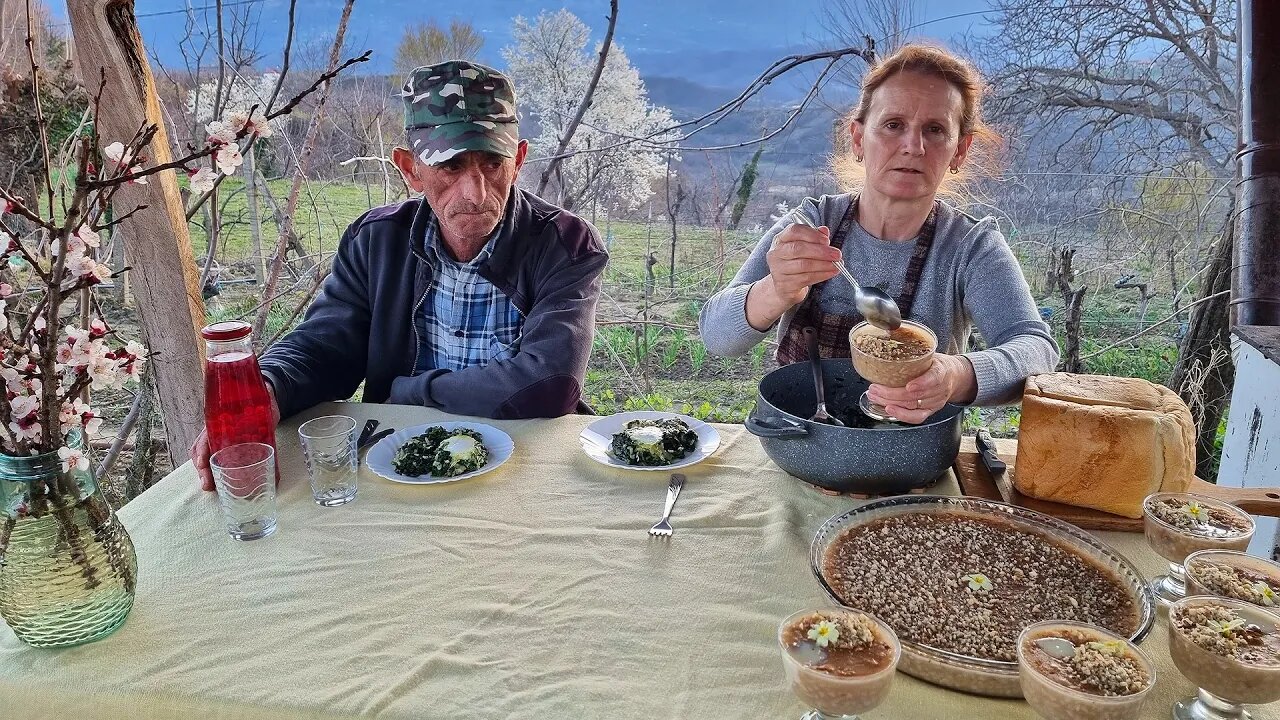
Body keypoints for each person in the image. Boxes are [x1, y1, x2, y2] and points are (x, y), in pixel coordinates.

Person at [192, 60, 608, 489]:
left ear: (518, 160)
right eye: (450, 166)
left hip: (528, 461)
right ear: (411, 170)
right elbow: (326, 345)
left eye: (492, 163)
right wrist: (266, 389)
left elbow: (549, 382)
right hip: (403, 460)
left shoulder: (566, 244)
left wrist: (413, 390)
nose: (475, 191)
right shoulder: (377, 240)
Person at [700, 44, 1058, 423]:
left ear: (959, 150)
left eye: (935, 130)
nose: (913, 146)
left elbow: (1037, 351)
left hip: (912, 464)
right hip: (799, 445)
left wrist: (954, 375)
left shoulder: (971, 247)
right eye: (893, 125)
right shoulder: (809, 224)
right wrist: (776, 289)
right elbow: (718, 337)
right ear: (858, 138)